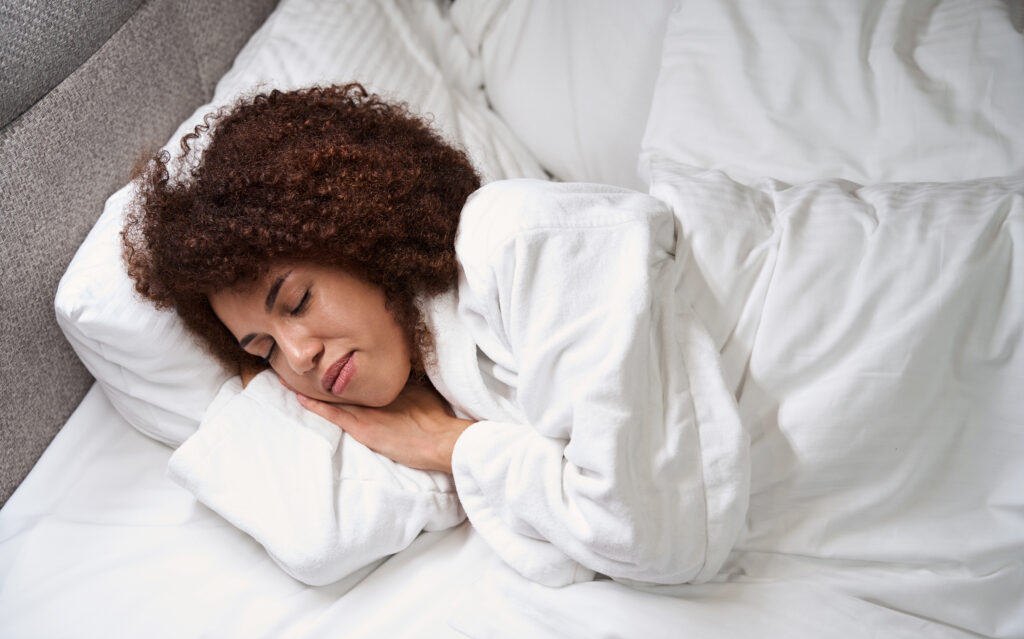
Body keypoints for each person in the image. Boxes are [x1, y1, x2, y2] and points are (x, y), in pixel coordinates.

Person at [123, 83, 750, 587]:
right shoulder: (429, 377)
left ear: (359, 239)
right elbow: (318, 543)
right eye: (261, 347)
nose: (297, 354)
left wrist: (456, 446)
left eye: (298, 301)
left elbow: (654, 535)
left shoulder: (515, 242)